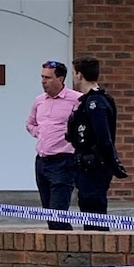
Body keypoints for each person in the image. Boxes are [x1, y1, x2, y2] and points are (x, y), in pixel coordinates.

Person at [66, 56, 128, 231]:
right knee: (88, 209)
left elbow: (104, 138)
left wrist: (112, 164)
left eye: (73, 73)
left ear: (79, 75)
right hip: (86, 165)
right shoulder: (87, 101)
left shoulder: (96, 102)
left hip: (94, 166)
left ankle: (101, 255)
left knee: (94, 213)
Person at [25, 60, 83, 230]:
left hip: (64, 161)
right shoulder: (39, 101)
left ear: (61, 78)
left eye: (48, 77)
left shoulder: (76, 100)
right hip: (42, 162)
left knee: (58, 214)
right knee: (49, 214)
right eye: (42, 77)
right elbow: (30, 123)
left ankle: (68, 251)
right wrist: (40, 133)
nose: (43, 81)